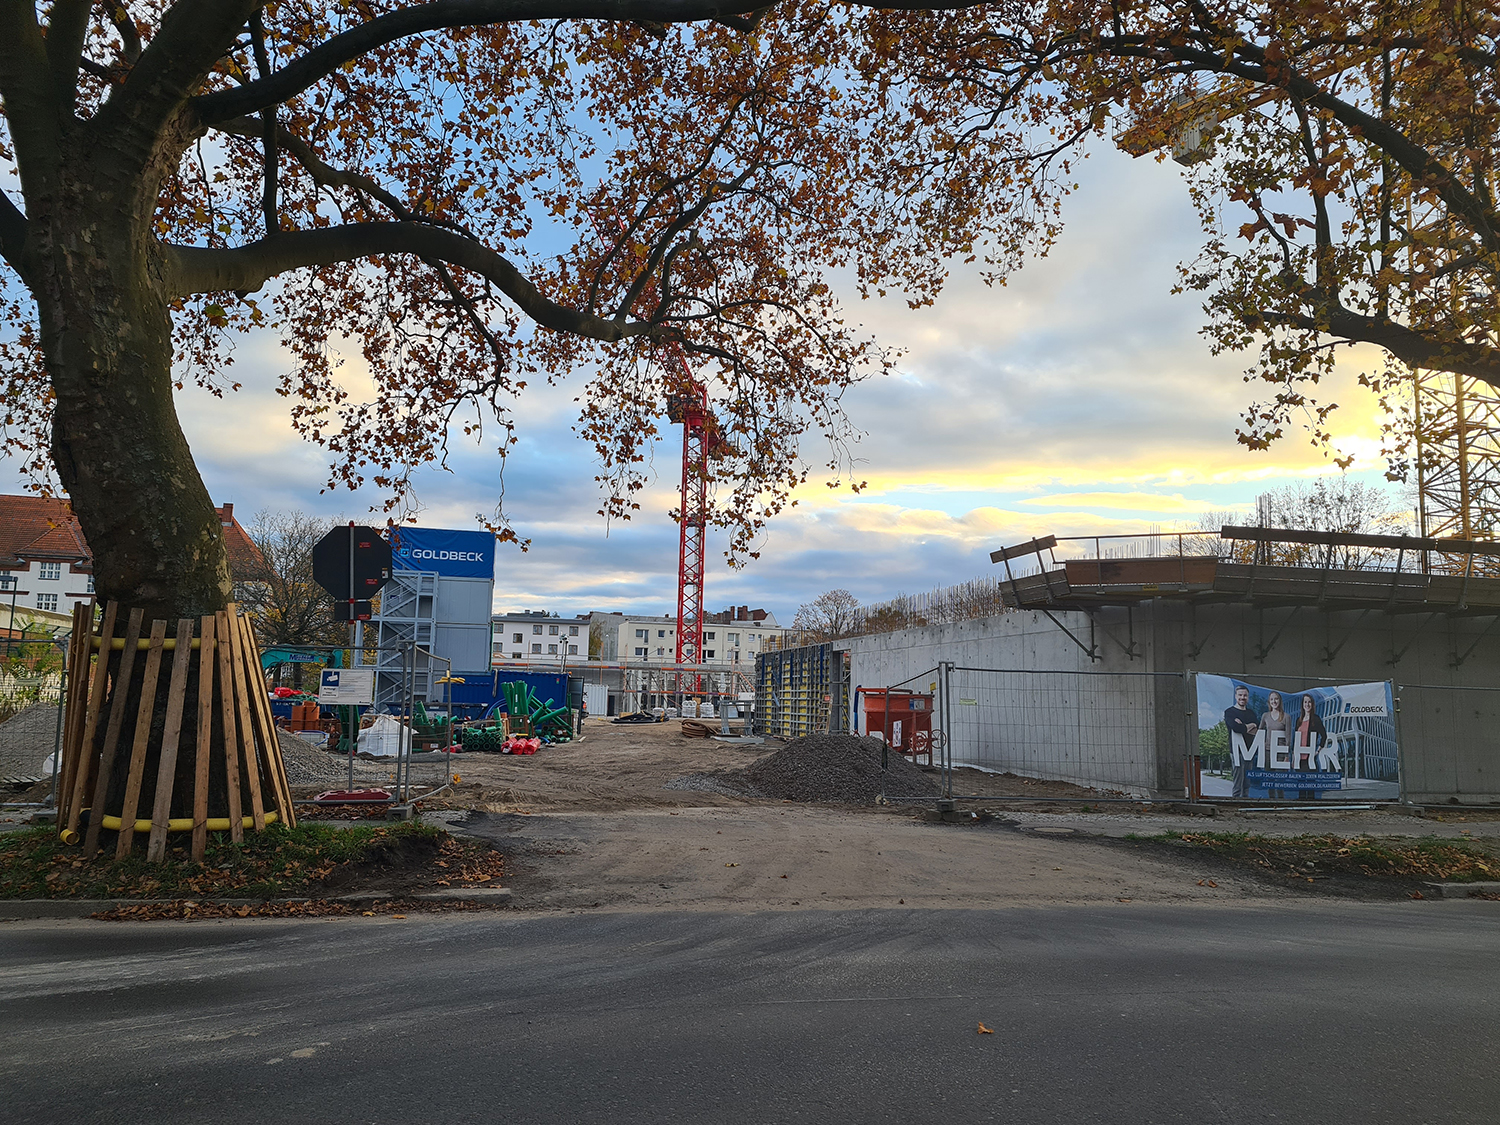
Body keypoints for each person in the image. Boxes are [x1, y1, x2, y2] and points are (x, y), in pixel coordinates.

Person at [1224, 685, 1259, 799]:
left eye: (1245, 695)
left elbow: (1256, 731)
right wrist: (1250, 725)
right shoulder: (1230, 712)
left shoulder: (1251, 713)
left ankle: (1245, 799)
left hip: (1250, 749)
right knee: (1238, 778)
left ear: (1248, 697)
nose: (1242, 697)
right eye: (1240, 695)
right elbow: (1236, 728)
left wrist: (1244, 726)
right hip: (1236, 750)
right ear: (1235, 696)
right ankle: (1235, 800)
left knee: (1247, 780)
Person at [1291, 694, 1329, 800]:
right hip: (1299, 757)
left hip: (1310, 758)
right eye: (1305, 702)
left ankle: (1310, 808)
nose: (1307, 704)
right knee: (1301, 785)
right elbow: (1295, 740)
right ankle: (1301, 807)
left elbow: (1324, 735)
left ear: (1312, 704)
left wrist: (1318, 750)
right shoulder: (1299, 720)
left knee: (1310, 785)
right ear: (1302, 705)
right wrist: (1294, 757)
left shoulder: (1315, 719)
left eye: (1309, 702)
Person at [1259, 691, 1294, 800]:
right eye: (1272, 699)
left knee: (1279, 781)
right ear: (1269, 702)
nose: (1274, 701)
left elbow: (1288, 736)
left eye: (1276, 699)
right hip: (1268, 751)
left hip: (1281, 753)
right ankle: (1271, 802)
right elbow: (1259, 731)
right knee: (1269, 780)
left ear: (1280, 701)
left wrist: (1287, 755)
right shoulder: (1265, 716)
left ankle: (1280, 802)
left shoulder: (1286, 717)